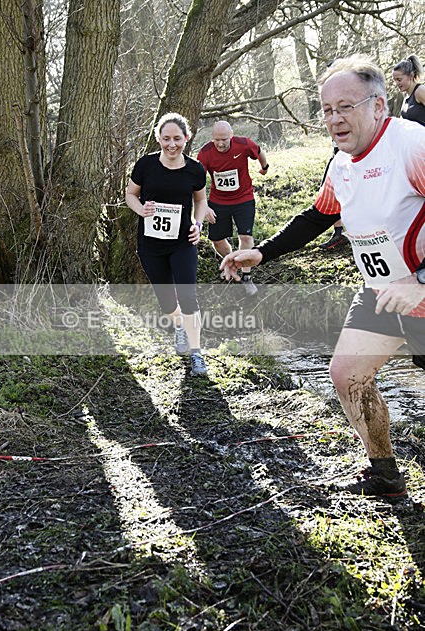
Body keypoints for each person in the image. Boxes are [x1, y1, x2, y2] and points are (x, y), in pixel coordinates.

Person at [221, 55, 425, 499]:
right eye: (327, 110)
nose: (334, 119)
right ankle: (385, 473)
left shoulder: (412, 146)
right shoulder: (342, 165)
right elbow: (317, 216)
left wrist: (418, 280)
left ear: (379, 106)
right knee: (347, 374)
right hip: (381, 292)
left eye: (345, 107)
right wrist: (263, 251)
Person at [126, 112, 209, 376]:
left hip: (183, 241)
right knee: (165, 300)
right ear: (158, 139)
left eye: (177, 138)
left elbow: (201, 201)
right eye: (166, 139)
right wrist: (141, 210)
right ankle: (180, 326)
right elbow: (130, 194)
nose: (171, 144)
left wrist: (198, 226)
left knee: (187, 295)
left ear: (187, 138)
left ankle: (196, 354)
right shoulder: (145, 165)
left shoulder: (195, 169)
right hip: (151, 244)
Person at [197, 121, 268, 295]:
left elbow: (259, 152)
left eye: (224, 139)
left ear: (232, 135)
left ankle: (246, 276)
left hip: (243, 198)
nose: (220, 144)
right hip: (218, 201)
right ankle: (231, 261)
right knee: (217, 239)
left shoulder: (243, 144)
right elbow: (196, 182)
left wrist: (264, 168)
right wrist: (204, 206)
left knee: (245, 236)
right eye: (216, 140)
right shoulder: (206, 153)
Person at [392, 54, 425, 126]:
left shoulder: (420, 91)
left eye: (399, 79)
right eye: (395, 80)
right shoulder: (406, 96)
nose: (397, 83)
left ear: (411, 75)